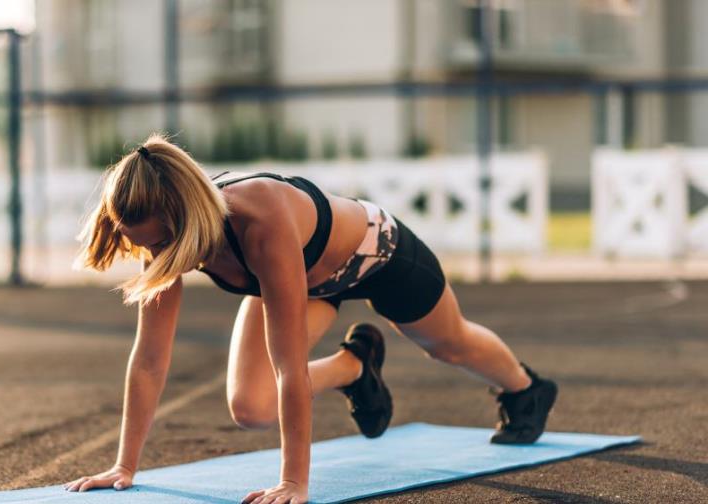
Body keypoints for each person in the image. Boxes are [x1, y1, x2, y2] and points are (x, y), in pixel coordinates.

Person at [62, 133, 558, 504]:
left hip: (378, 255)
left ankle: (524, 389)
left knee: (449, 345)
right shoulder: (165, 236)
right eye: (145, 244)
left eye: (159, 243)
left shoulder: (261, 222)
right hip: (310, 280)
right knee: (251, 407)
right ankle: (355, 366)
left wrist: (295, 482)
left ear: (185, 218)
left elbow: (289, 365)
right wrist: (123, 467)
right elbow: (149, 360)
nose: (153, 255)